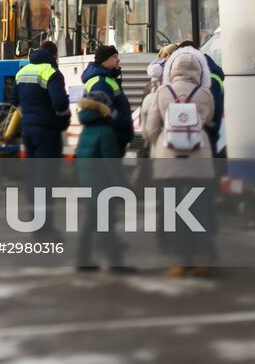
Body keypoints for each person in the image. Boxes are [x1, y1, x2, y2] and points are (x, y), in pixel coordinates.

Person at [140, 49, 217, 277]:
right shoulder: (205, 93)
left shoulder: (163, 92)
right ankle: (201, 259)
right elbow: (210, 119)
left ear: (172, 69)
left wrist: (163, 142)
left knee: (173, 212)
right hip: (199, 159)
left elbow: (152, 127)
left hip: (169, 162)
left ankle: (180, 262)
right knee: (198, 211)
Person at [73, 89, 130, 272]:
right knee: (106, 224)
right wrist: (123, 187)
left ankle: (83, 258)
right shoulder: (105, 132)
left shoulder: (87, 129)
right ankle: (116, 263)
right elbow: (112, 164)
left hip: (88, 182)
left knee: (92, 222)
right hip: (103, 184)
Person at [7, 40, 69, 160]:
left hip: (27, 129)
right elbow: (59, 103)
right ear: (55, 56)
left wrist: (27, 114)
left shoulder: (22, 71)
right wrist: (64, 118)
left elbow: (13, 98)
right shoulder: (52, 72)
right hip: (47, 130)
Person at [81, 45, 132, 150]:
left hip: (110, 135)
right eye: (114, 57)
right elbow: (103, 111)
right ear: (103, 61)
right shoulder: (101, 82)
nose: (118, 60)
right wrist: (122, 122)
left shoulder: (105, 79)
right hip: (110, 137)